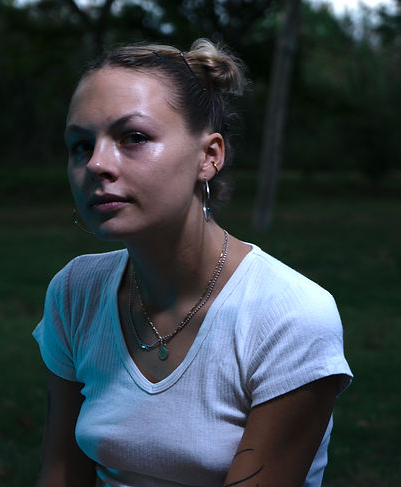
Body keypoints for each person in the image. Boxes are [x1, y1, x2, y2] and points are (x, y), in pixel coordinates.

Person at [33, 38, 352, 487]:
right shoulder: (75, 292)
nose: (97, 164)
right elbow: (62, 473)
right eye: (81, 146)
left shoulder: (290, 315)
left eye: (134, 138)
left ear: (209, 156)